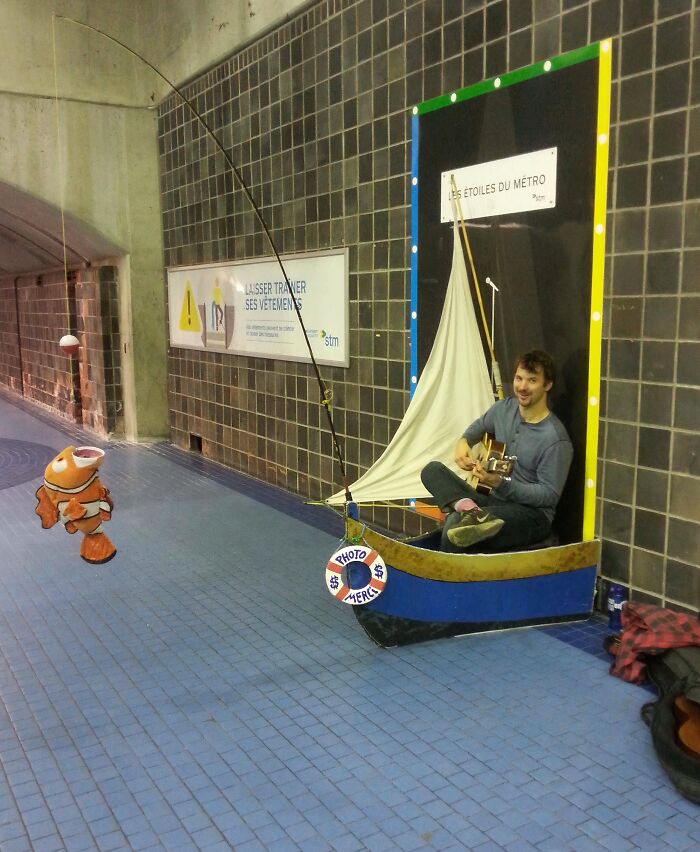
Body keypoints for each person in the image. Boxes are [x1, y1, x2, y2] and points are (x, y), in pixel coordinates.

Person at [420, 350, 573, 552]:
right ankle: (474, 512)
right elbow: (479, 426)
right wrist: (464, 442)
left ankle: (469, 524)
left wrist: (500, 484)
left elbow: (549, 495)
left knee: (455, 525)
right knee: (431, 470)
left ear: (547, 385)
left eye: (532, 380)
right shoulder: (503, 409)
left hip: (532, 516)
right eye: (519, 378)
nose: (522, 387)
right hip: (494, 500)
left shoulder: (555, 439)